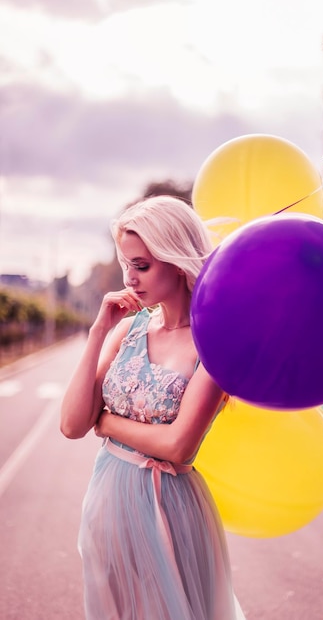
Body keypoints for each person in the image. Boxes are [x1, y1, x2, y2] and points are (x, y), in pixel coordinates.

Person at [60, 196, 246, 620]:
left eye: (141, 265)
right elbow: (72, 425)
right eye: (126, 265)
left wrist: (105, 421)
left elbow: (180, 446)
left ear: (177, 261)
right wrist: (97, 332)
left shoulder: (213, 342)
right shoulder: (127, 328)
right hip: (107, 504)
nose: (130, 278)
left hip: (170, 510)